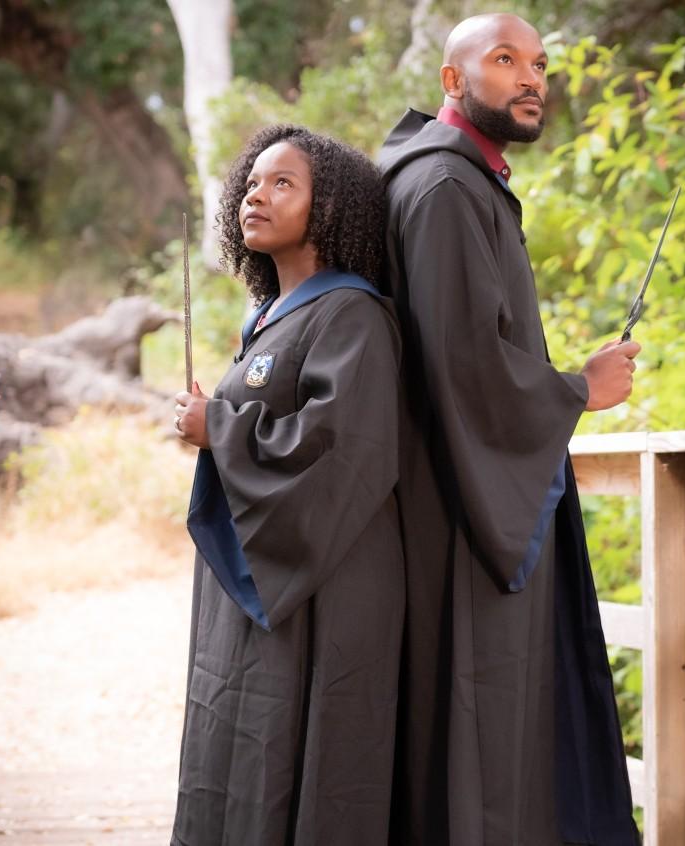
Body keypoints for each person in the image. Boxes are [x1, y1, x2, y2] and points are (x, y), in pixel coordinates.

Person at [379, 13, 642, 846]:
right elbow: (462, 364)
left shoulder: (445, 179)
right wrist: (579, 387)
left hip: (446, 498)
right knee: (483, 730)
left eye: (538, 63)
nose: (531, 78)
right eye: (504, 60)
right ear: (452, 82)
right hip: (459, 512)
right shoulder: (447, 189)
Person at [170, 125, 405, 846]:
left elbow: (345, 447)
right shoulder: (270, 319)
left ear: (327, 206)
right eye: (251, 183)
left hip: (322, 581)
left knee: (305, 759)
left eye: (282, 184)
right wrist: (219, 424)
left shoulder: (353, 314)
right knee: (241, 745)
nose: (256, 195)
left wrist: (222, 431)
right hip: (263, 574)